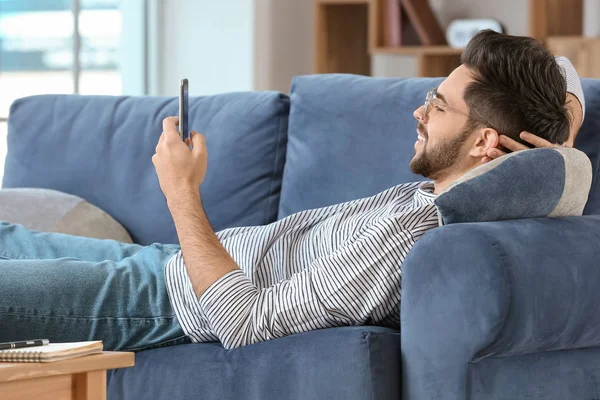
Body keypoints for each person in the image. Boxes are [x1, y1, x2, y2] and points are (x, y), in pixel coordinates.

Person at [0, 30, 586, 351]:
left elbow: (245, 322)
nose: (418, 110)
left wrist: (181, 191)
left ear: (485, 142)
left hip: (161, 303)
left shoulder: (416, 236)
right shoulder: (438, 195)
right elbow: (560, 74)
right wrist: (562, 134)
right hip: (163, 266)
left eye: (436, 105)